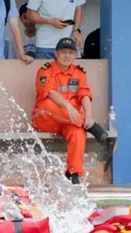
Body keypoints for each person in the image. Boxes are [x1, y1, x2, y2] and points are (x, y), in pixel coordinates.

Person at [32, 38, 108, 185]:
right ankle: (91, 127)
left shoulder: (79, 72)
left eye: (71, 53)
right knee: (49, 104)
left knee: (78, 133)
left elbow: (84, 94)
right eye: (63, 52)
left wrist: (89, 116)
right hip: (46, 118)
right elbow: (49, 92)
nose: (67, 56)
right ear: (56, 53)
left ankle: (73, 174)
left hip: (70, 120)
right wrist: (68, 105)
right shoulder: (45, 70)